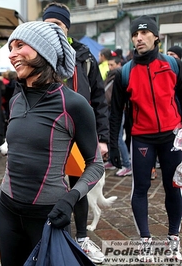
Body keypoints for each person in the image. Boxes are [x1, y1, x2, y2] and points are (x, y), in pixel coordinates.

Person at [0, 21, 104, 266]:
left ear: (44, 51)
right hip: (8, 213)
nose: (11, 54)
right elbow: (15, 164)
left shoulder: (73, 104)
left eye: (20, 45)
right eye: (11, 47)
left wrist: (71, 198)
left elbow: (95, 164)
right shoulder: (16, 100)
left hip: (47, 215)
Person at [109, 15, 182, 260]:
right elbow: (115, 113)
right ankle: (145, 241)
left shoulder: (172, 66)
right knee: (140, 189)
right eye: (134, 34)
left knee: (174, 188)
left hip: (172, 136)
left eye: (143, 33)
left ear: (155, 36)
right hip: (142, 138)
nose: (138, 38)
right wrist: (114, 146)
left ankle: (173, 239)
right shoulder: (124, 73)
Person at [42, 2, 109, 263]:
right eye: (48, 26)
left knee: (78, 185)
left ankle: (82, 239)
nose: (53, 31)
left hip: (79, 133)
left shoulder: (84, 56)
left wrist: (102, 138)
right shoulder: (38, 55)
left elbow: (100, 100)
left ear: (67, 27)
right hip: (50, 133)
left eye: (57, 25)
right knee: (47, 186)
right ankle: (53, 236)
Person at [105, 56, 132, 177]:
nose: (110, 67)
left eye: (112, 64)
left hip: (117, 110)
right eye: (109, 64)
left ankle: (127, 165)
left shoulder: (119, 74)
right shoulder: (110, 74)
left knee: (119, 137)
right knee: (112, 135)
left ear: (117, 64)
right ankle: (112, 160)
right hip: (109, 109)